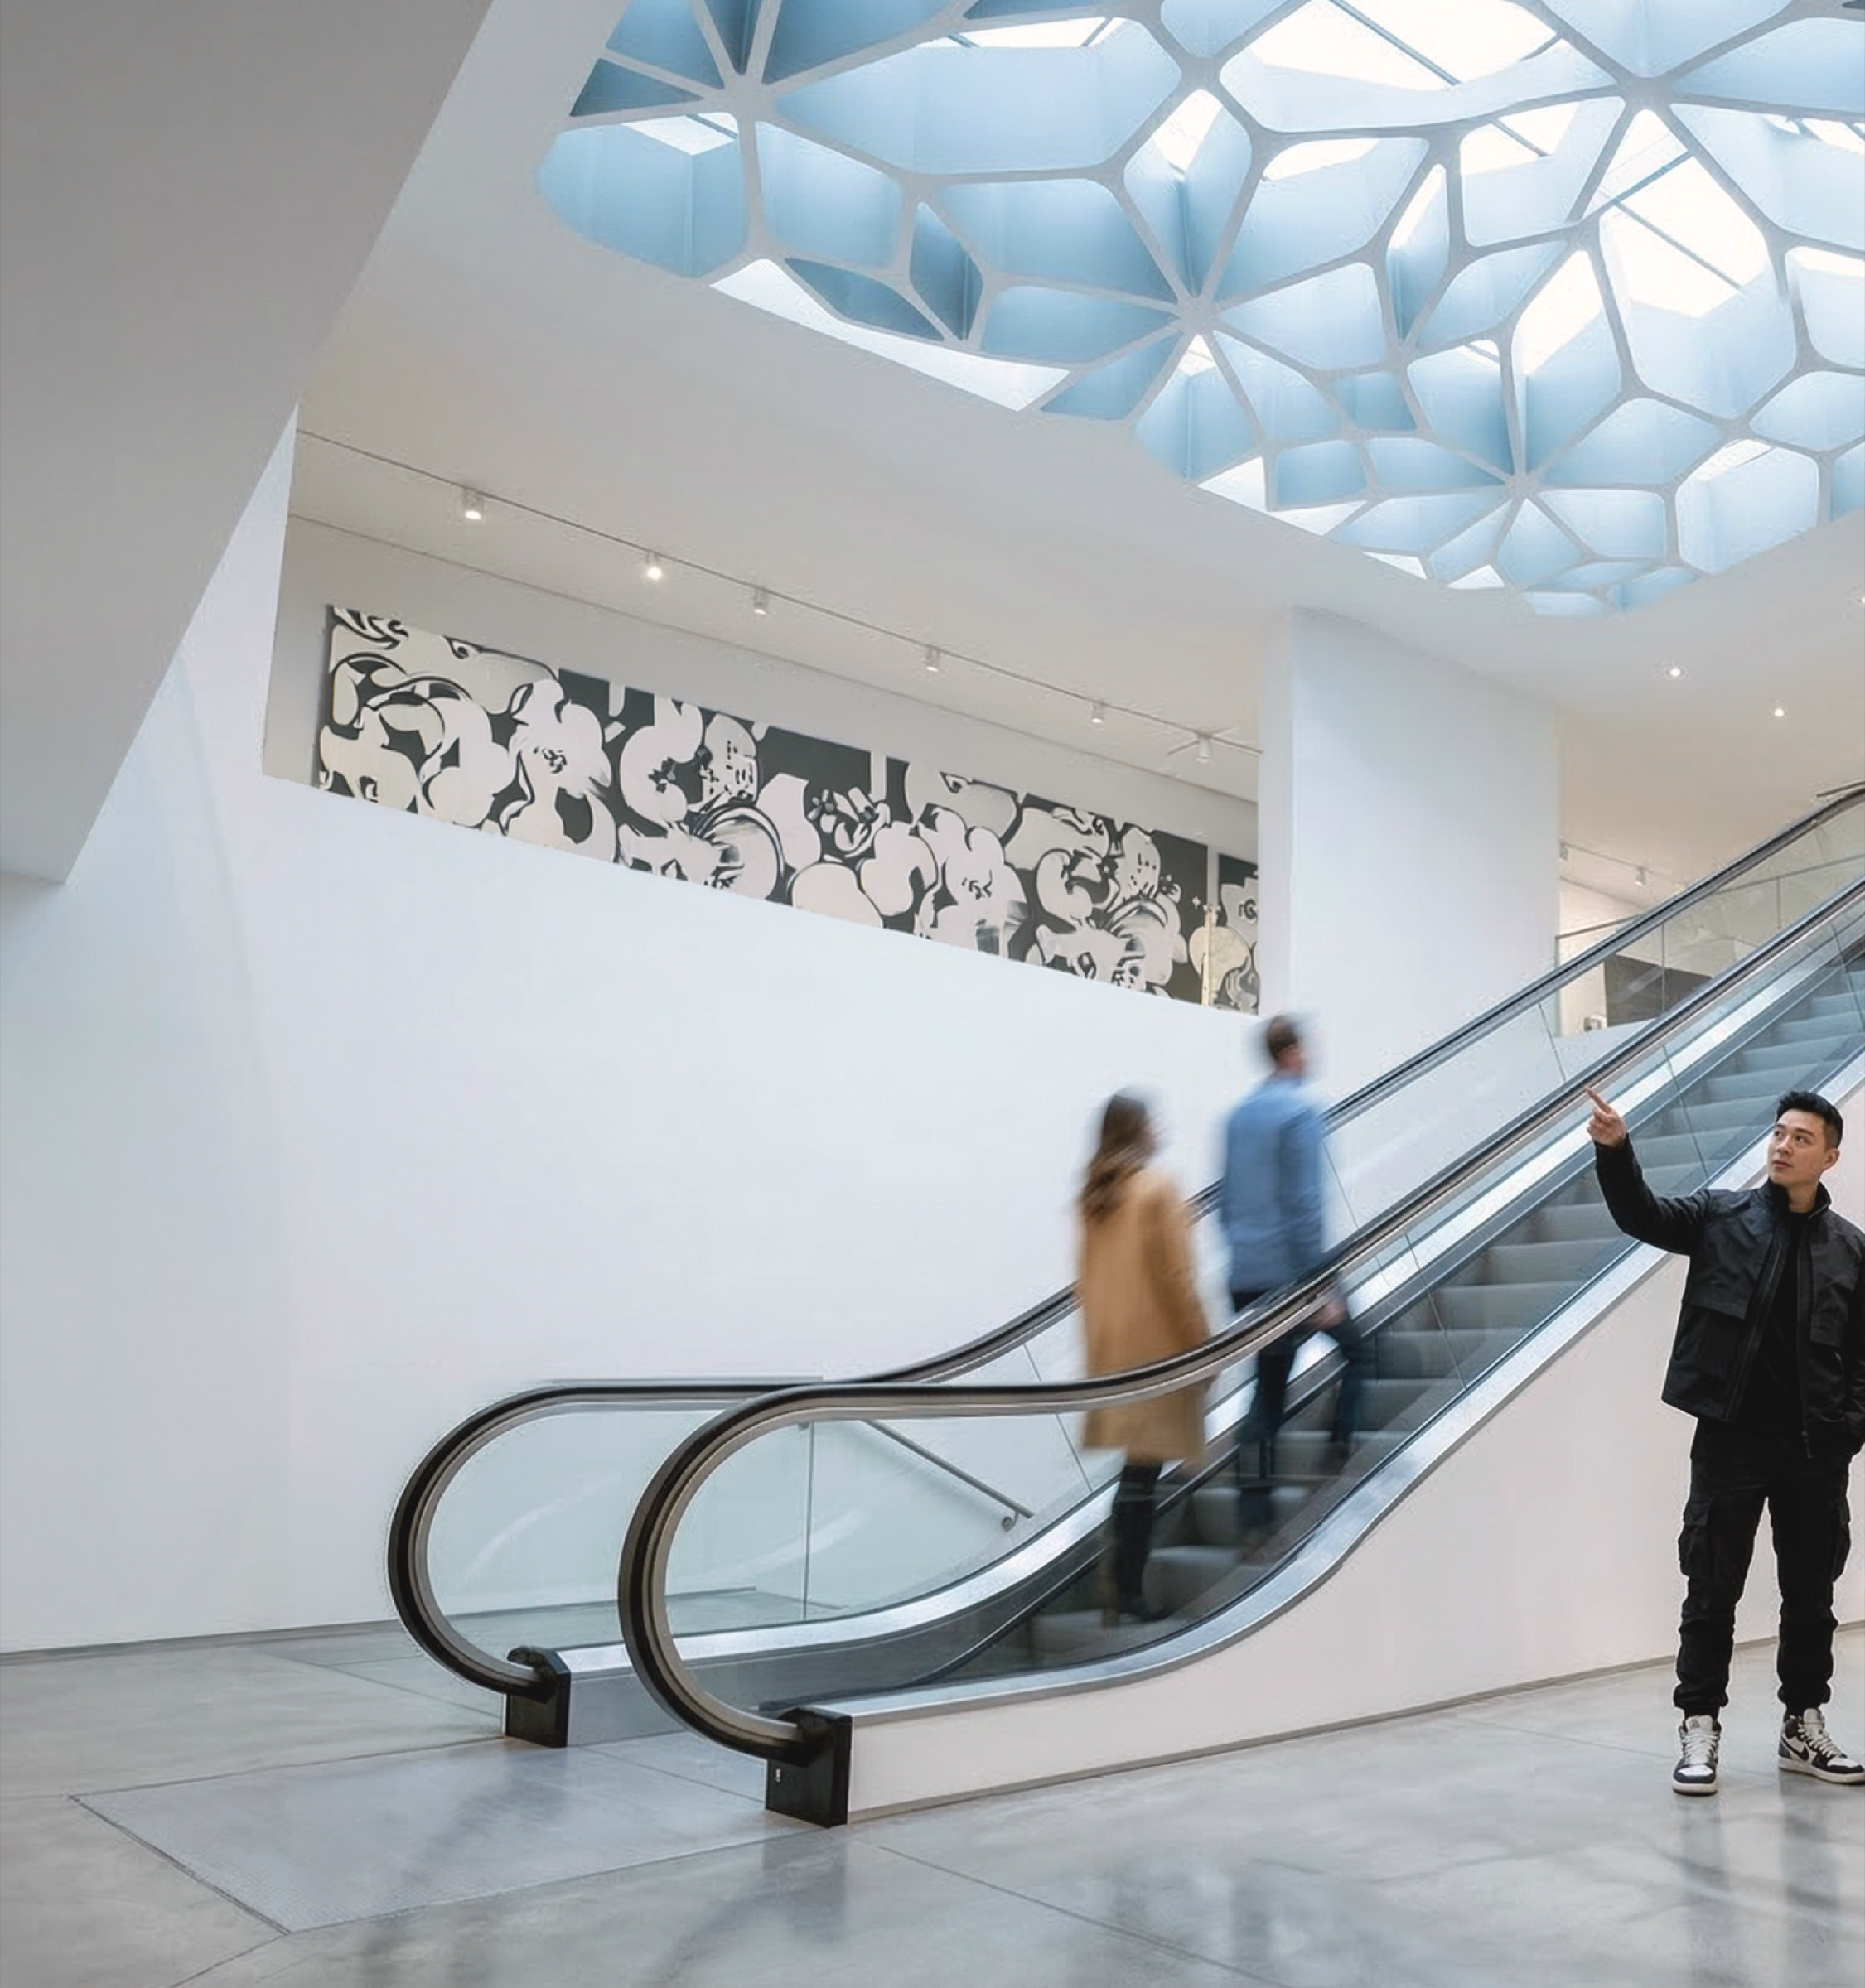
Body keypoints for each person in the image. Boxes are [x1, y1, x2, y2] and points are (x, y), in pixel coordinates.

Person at [1586, 1083, 1865, 1796]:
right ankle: (1699, 1725)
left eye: (1800, 1138)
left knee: (1811, 1595)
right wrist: (1617, 1152)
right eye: (1778, 1133)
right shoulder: (1721, 1216)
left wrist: (1848, 1430)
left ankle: (1802, 1724)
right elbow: (1639, 1215)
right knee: (1711, 1589)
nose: (1781, 1145)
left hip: (1814, 1449)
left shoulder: (1851, 1251)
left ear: (1829, 1157)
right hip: (1731, 1440)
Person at [1075, 1092, 1210, 1624]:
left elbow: (1085, 1281)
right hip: (1160, 1352)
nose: (1160, 1129)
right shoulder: (1156, 1189)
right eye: (1152, 1122)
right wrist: (1203, 1346)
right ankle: (1128, 1590)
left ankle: (1121, 1586)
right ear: (1136, 1131)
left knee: (1136, 1471)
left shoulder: (1094, 1197)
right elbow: (1177, 1279)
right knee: (1143, 1474)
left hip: (1115, 1352)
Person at [1220, 1014, 1368, 1483]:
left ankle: (1254, 1513)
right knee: (1364, 1353)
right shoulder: (1301, 1114)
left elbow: (1225, 1205)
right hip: (1294, 1276)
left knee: (1268, 1389)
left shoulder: (1238, 1117)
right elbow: (1305, 1206)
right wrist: (1321, 1288)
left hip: (1244, 1276)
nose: (1309, 1057)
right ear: (1291, 1053)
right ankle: (1339, 1454)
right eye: (1305, 1049)